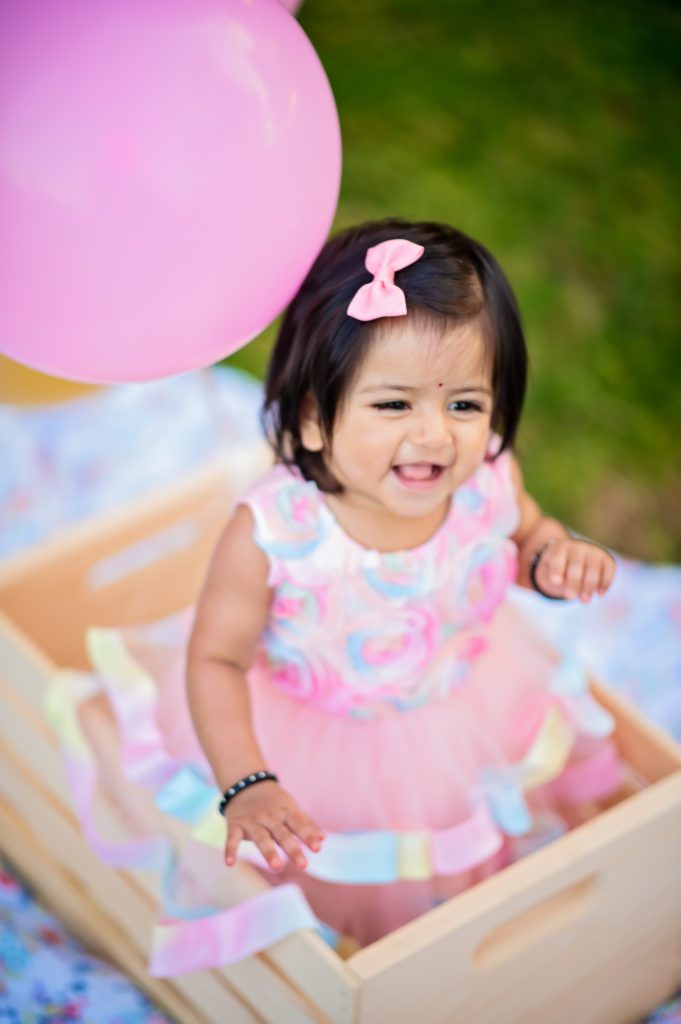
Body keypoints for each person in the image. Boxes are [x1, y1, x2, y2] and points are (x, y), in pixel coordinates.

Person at [186, 218, 621, 946]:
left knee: (464, 832)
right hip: (320, 739)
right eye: (394, 404)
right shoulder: (273, 532)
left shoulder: (486, 480)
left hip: (457, 704)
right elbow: (214, 660)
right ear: (315, 418)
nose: (433, 435)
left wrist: (552, 556)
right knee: (353, 869)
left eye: (464, 405)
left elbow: (518, 539)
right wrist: (245, 779)